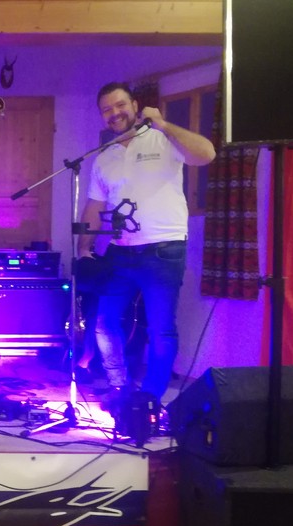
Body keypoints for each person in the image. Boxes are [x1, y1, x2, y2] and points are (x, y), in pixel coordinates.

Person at [78, 81, 215, 410]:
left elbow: (206, 154)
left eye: (120, 105)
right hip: (120, 250)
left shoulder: (163, 139)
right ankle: (119, 387)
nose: (115, 113)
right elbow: (95, 206)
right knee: (104, 323)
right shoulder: (104, 158)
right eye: (107, 110)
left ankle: (150, 399)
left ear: (135, 106)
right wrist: (84, 247)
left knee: (161, 329)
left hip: (163, 250)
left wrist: (164, 124)